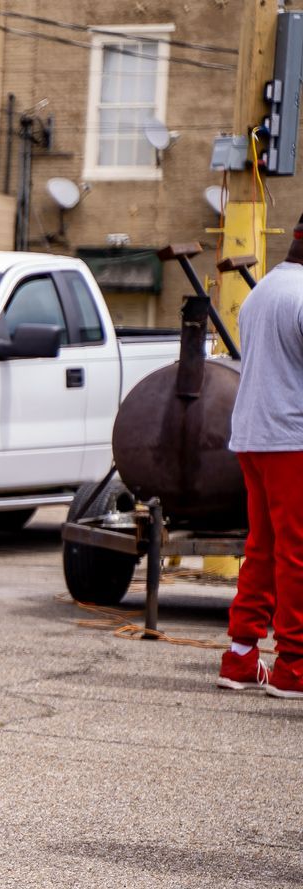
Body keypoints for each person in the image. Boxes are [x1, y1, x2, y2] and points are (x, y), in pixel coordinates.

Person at [217, 217, 303, 700]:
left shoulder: (263, 292)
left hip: (253, 436)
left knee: (264, 549)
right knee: (297, 553)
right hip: (292, 438)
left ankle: (242, 655)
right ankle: (294, 664)